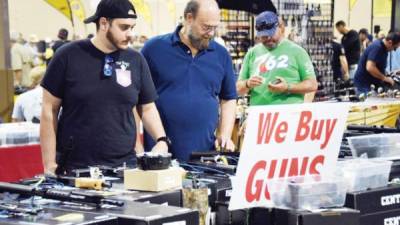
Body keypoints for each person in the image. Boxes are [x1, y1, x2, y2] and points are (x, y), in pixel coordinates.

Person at [40, 0, 168, 175]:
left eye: (132, 27)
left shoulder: (136, 60)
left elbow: (147, 107)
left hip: (125, 167)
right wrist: (49, 164)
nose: (130, 34)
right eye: (124, 27)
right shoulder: (68, 56)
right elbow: (49, 110)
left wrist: (161, 139)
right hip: (76, 167)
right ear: (103, 23)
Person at [141, 0, 237, 161]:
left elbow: (228, 98)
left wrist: (225, 134)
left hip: (204, 155)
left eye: (214, 27)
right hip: (160, 153)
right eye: (206, 27)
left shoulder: (221, 54)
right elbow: (139, 100)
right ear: (189, 18)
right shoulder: (153, 49)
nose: (211, 33)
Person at [236, 11, 317, 105]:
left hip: (289, 114)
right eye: (264, 36)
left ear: (280, 28)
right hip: (260, 115)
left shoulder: (297, 51)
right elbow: (238, 89)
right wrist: (247, 84)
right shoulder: (252, 53)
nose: (268, 39)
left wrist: (288, 88)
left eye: (271, 34)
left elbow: (312, 85)